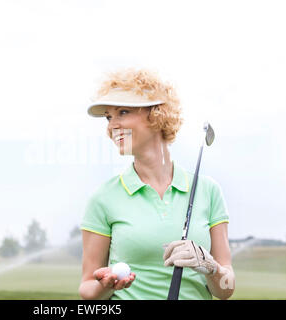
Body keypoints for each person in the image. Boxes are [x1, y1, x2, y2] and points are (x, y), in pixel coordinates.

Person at [78, 68, 235, 300]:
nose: (112, 125)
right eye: (109, 117)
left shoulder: (208, 190)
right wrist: (107, 285)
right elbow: (87, 288)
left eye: (122, 112)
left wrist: (211, 267)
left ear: (157, 114)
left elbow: (227, 288)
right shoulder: (104, 197)